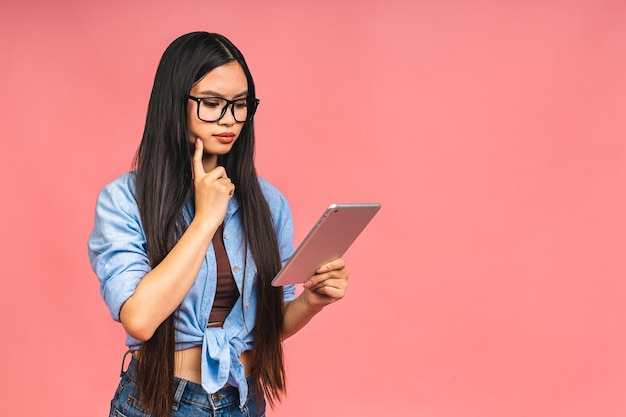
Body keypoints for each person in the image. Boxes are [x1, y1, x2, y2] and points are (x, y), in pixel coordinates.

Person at [87, 32, 348, 417]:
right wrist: (206, 218)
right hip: (161, 403)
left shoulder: (267, 202)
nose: (229, 120)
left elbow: (267, 329)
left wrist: (312, 300)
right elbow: (140, 320)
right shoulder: (124, 200)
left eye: (240, 105)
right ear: (175, 103)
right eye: (212, 104)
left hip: (241, 403)